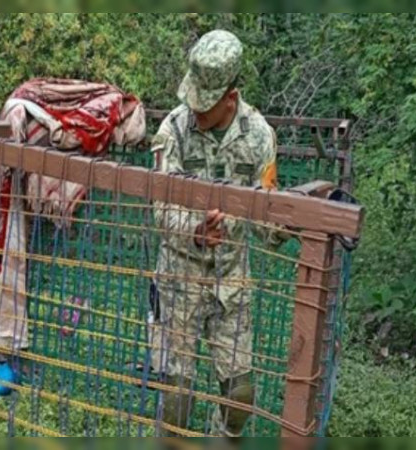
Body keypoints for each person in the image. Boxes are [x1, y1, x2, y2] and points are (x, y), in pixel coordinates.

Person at [149, 29, 285, 437]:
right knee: (176, 401)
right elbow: (160, 206)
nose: (194, 111)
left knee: (240, 398)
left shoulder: (259, 137)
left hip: (231, 283)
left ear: (231, 97)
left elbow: (267, 217)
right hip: (180, 279)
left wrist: (285, 224)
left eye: (204, 105)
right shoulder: (173, 130)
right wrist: (194, 230)